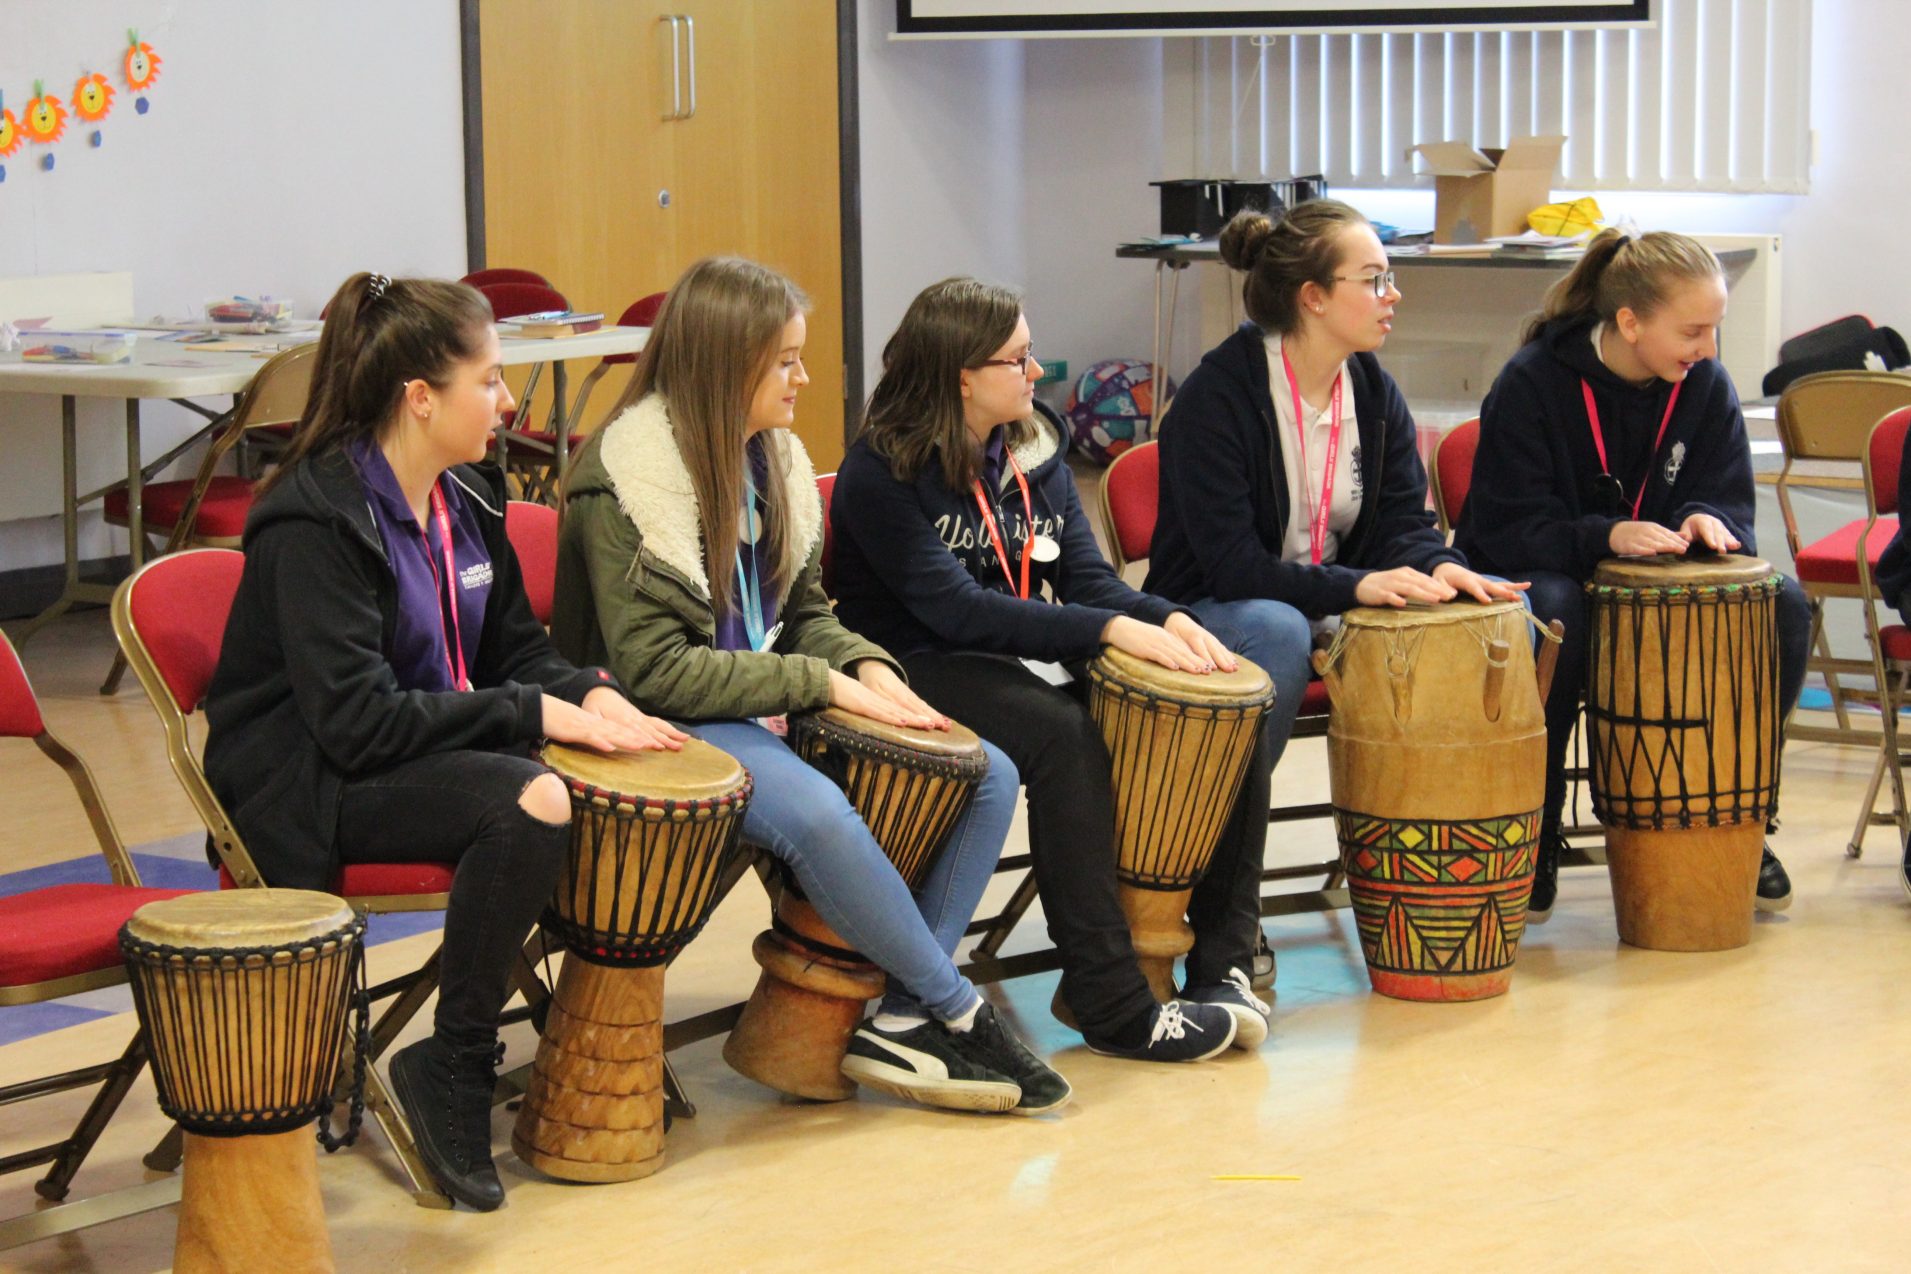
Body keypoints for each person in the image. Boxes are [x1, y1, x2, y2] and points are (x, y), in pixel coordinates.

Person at [203, 272, 684, 1210]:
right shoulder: (315, 519)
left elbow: (515, 650)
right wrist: (533, 714)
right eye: (490, 380)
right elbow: (357, 720)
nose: (508, 402)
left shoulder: (463, 498)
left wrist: (594, 694)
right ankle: (452, 1067)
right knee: (533, 796)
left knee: (625, 776)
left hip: (415, 750)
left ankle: (583, 1048)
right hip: (310, 779)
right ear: (420, 399)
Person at [553, 256, 1068, 1115]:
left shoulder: (771, 459)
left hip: (753, 703)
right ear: (727, 366)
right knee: (821, 814)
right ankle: (953, 1008)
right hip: (653, 723)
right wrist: (814, 685)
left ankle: (902, 1018)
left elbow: (804, 611)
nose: (803, 377)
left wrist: (860, 663)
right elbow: (655, 670)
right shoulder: (625, 476)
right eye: (785, 360)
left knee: (988, 774)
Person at [831, 276, 1268, 1064]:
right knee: (1062, 735)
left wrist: (1161, 617)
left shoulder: (1033, 449)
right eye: (1019, 359)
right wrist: (1103, 633)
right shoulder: (880, 471)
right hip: (909, 662)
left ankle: (1222, 962)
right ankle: (1111, 1003)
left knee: (1224, 706)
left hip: (1014, 646)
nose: (1037, 374)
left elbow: (1087, 582)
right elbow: (955, 611)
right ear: (962, 373)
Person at [1142, 199, 1522, 928]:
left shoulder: (1371, 389)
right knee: (1279, 629)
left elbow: (1403, 524)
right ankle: (1225, 902)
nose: (1392, 296)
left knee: (1500, 615)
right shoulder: (1216, 397)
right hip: (1215, 615)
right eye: (1373, 279)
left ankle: (1440, 886)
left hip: (1324, 604)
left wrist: (1437, 568)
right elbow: (1230, 569)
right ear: (1312, 298)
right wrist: (1357, 587)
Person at [1454, 228, 1811, 918]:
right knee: (1555, 610)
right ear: (1628, 322)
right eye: (1692, 330)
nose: (1707, 349)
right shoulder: (1532, 381)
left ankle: (1735, 815)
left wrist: (1710, 519)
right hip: (1551, 574)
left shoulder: (1701, 383)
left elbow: (1727, 492)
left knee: (1783, 606)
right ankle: (1537, 829)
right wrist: (1606, 534)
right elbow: (1504, 527)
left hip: (1661, 593)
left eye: (1713, 330)